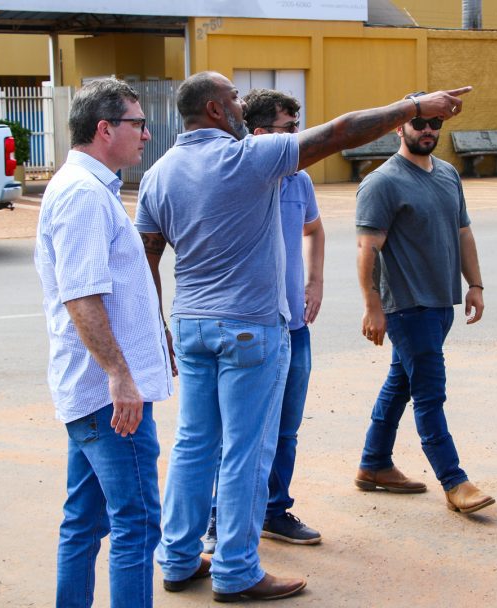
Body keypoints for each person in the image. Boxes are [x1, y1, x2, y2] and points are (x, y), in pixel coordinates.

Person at [136, 71, 469, 603]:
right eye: (234, 98)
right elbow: (340, 132)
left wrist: (157, 328)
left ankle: (178, 557)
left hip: (192, 324)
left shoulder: (158, 173)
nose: (243, 105)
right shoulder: (246, 157)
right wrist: (413, 105)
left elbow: (148, 257)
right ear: (217, 111)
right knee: (246, 451)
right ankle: (238, 570)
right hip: (250, 328)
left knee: (194, 445)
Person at [33, 78, 174, 608]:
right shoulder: (82, 194)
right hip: (109, 397)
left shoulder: (92, 189)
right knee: (136, 523)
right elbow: (82, 296)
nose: (146, 134)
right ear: (104, 128)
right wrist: (120, 374)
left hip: (99, 392)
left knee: (84, 522)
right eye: (138, 124)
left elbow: (111, 291)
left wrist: (155, 340)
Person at [353, 92, 495, 515]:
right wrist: (373, 306)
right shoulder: (382, 182)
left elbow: (463, 232)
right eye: (420, 124)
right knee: (431, 394)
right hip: (407, 308)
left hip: (441, 304)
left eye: (436, 124)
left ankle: (373, 463)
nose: (429, 131)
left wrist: (476, 284)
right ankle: (454, 482)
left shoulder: (448, 174)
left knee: (401, 384)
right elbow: (367, 249)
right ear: (400, 126)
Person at [200, 88, 325, 554]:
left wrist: (315, 281)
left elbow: (314, 229)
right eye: (291, 130)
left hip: (294, 328)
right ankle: (217, 519)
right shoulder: (238, 182)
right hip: (247, 326)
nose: (300, 138)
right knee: (233, 433)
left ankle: (274, 510)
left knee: (285, 428)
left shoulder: (300, 182)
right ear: (259, 135)